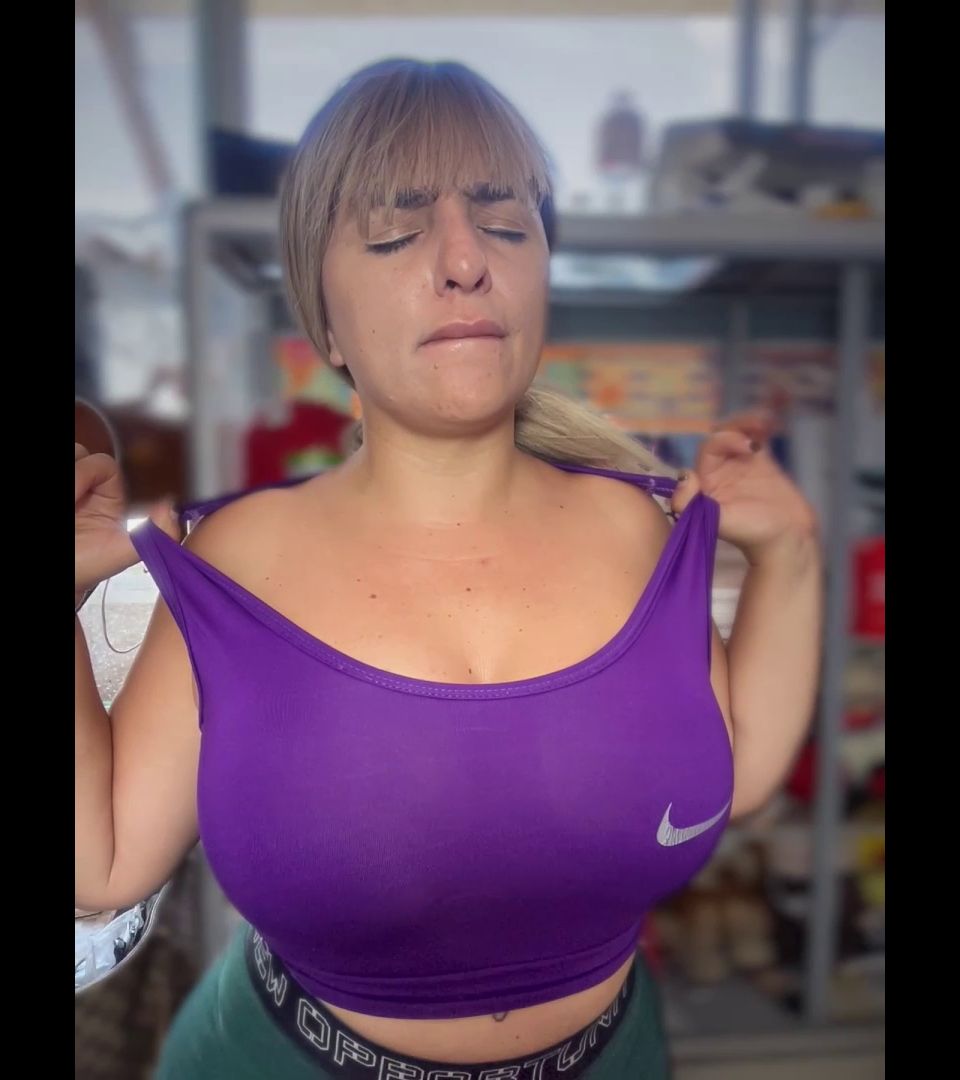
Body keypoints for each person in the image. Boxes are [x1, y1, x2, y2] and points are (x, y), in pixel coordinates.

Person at [75, 59, 822, 1079]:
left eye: (506, 224)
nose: (466, 260)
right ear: (325, 320)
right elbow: (104, 859)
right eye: (395, 233)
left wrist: (790, 554)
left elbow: (730, 774)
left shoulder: (646, 531)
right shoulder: (234, 568)